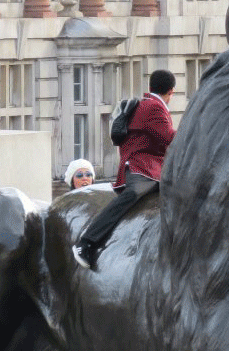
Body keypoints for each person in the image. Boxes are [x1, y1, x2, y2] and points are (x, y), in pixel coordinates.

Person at [73, 69, 177, 270]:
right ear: (171, 91)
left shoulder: (151, 104)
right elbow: (169, 137)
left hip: (154, 167)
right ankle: (86, 242)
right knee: (132, 195)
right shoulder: (154, 107)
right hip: (141, 166)